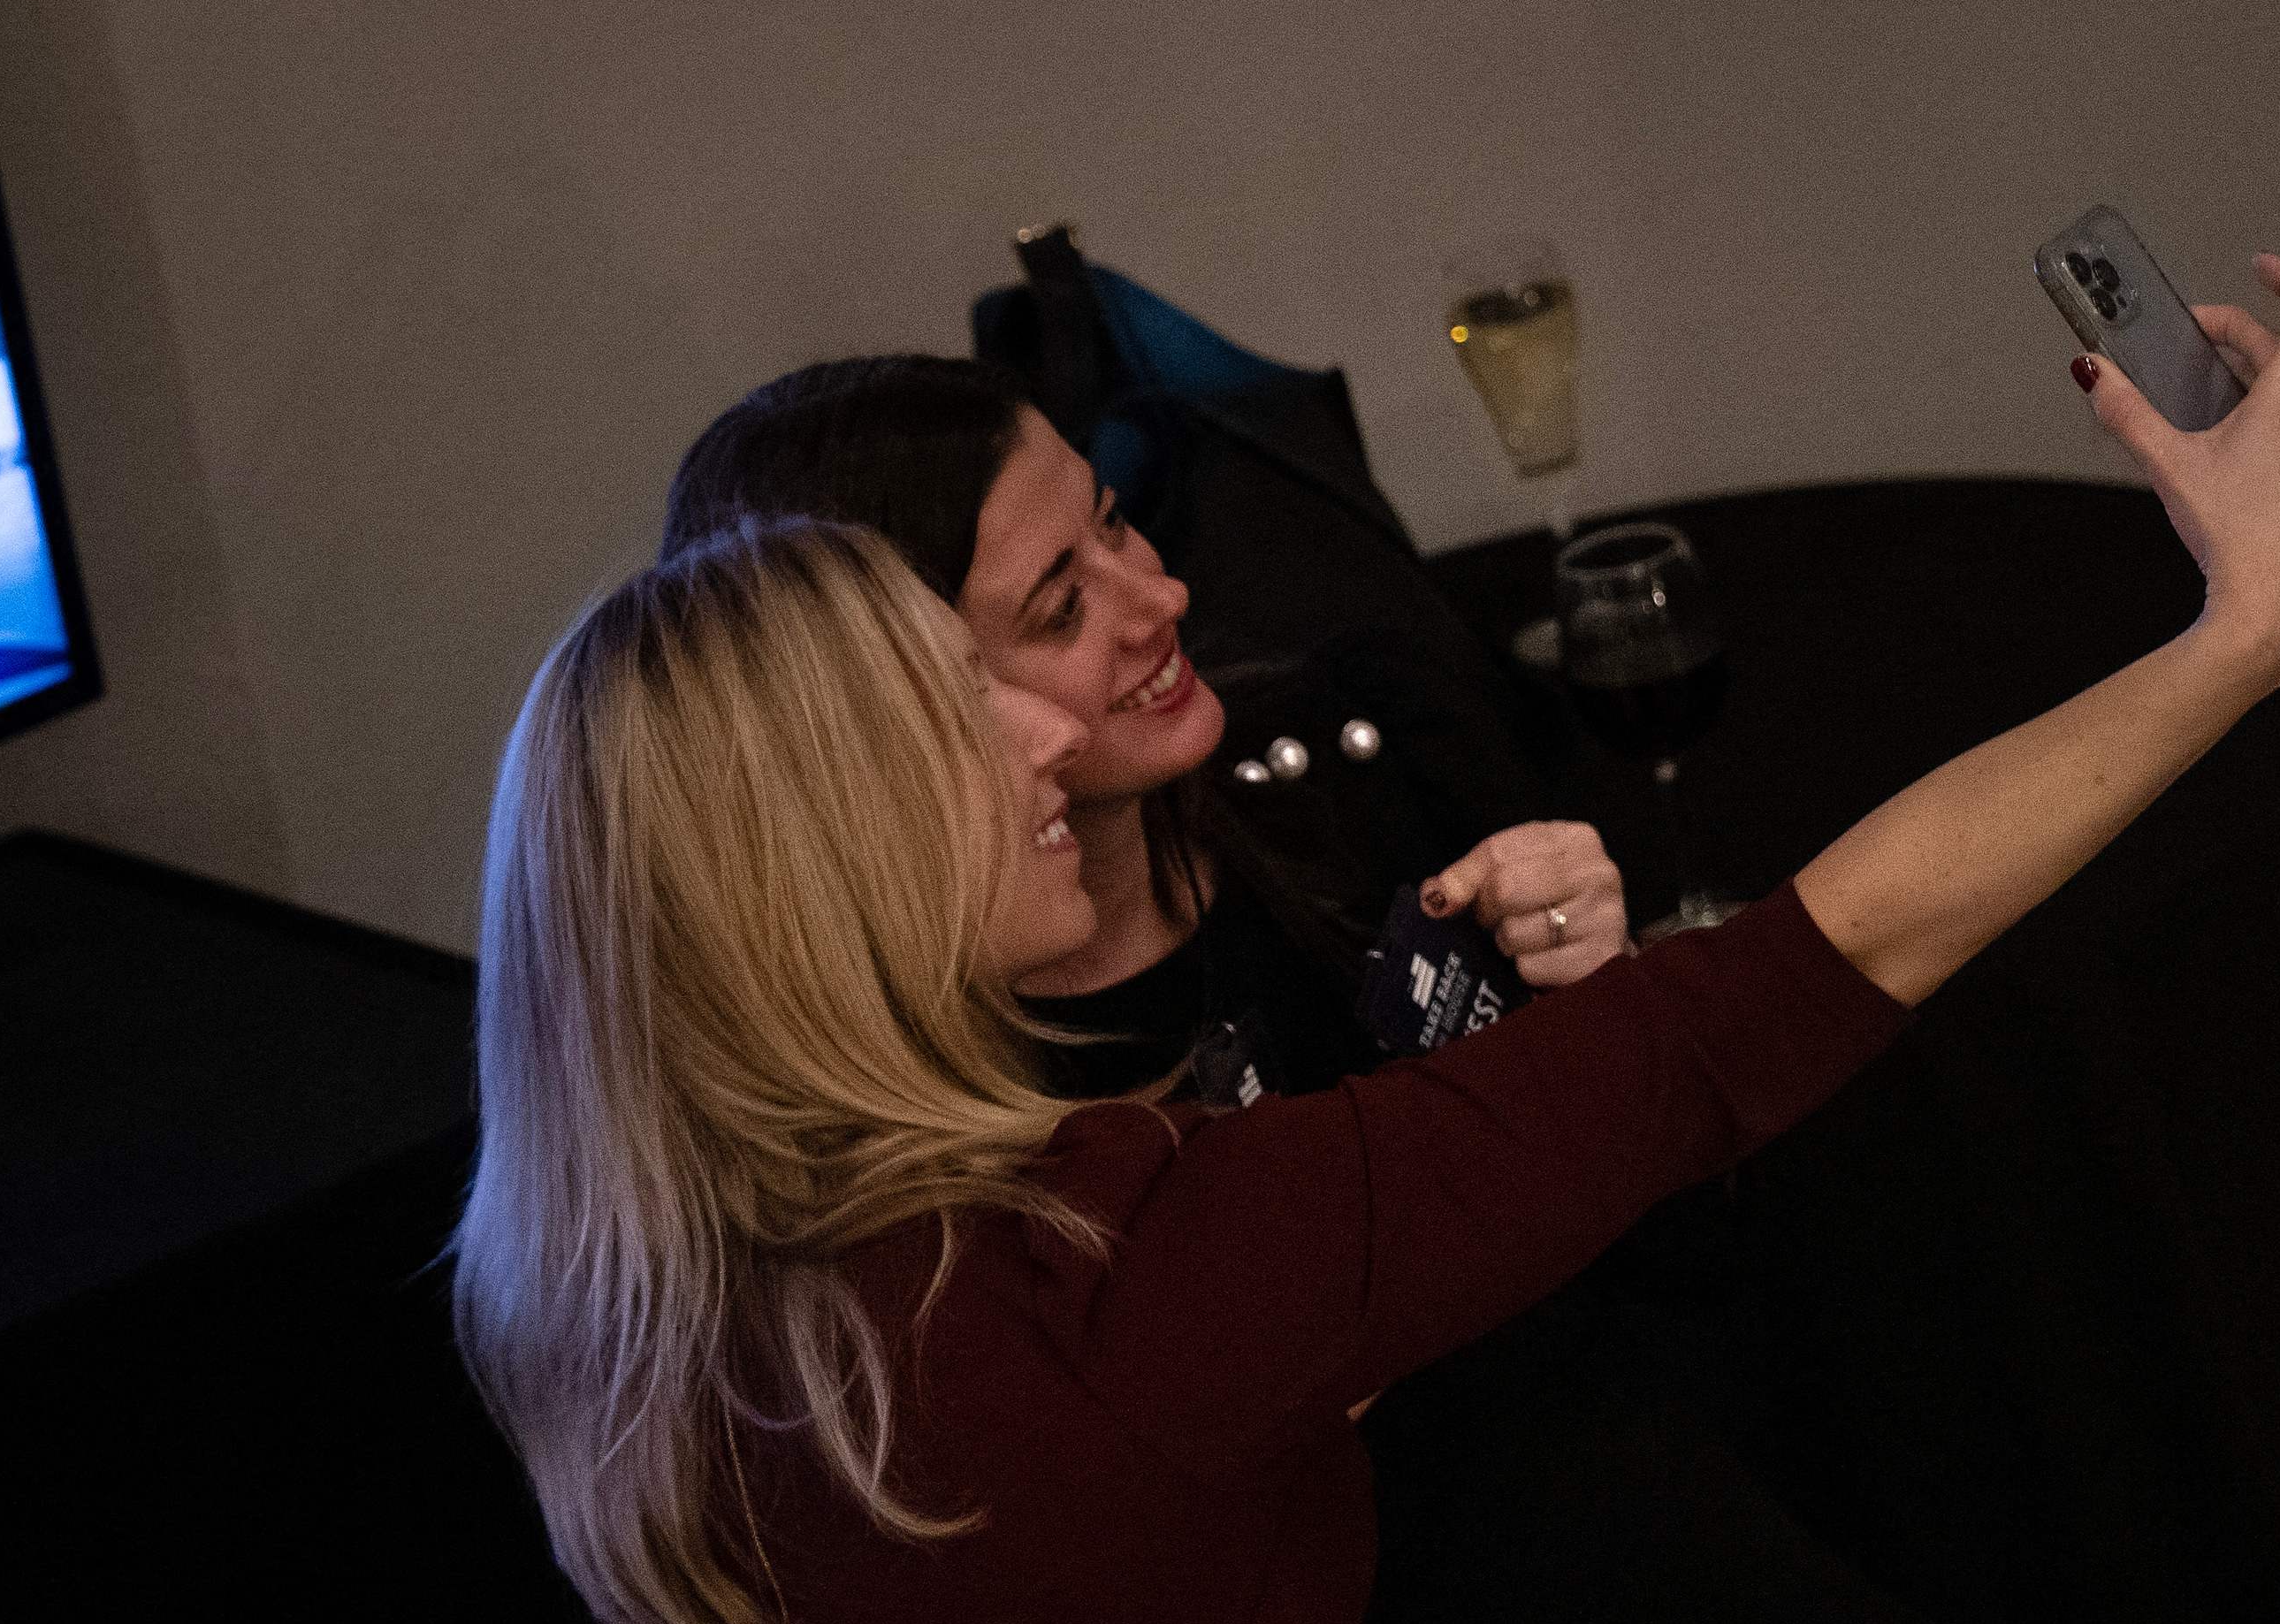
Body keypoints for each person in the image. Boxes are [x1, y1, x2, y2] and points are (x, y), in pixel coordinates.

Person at [461, 268, 2280, 1624]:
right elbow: (1770, 996)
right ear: (811, 871)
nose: (1047, 734)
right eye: (960, 705)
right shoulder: (1104, 1272)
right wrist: (2240, 631)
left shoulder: (654, 1279)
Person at [663, 355, 1627, 1096]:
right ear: (891, 710)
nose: (1163, 595)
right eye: (1062, 608)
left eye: (1114, 520)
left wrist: (1599, 978)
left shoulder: (1345, 749)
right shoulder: (908, 1097)